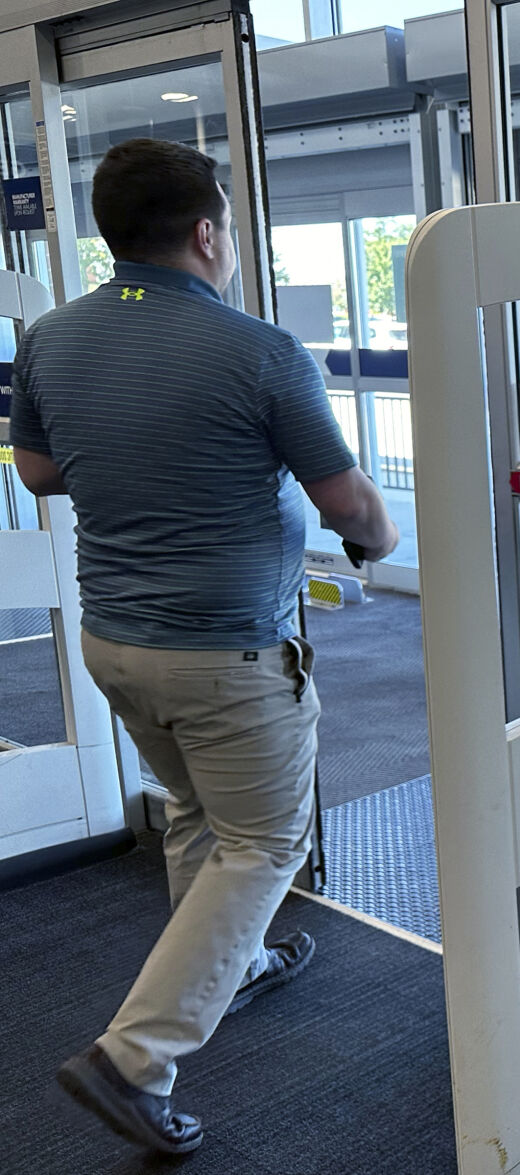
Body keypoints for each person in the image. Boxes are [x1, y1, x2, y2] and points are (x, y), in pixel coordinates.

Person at [8, 137, 399, 1155]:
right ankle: (133, 1058)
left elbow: (40, 470)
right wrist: (377, 533)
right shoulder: (259, 350)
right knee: (265, 841)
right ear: (208, 231)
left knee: (196, 811)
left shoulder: (50, 336)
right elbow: (346, 499)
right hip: (227, 655)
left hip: (115, 645)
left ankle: (235, 960)